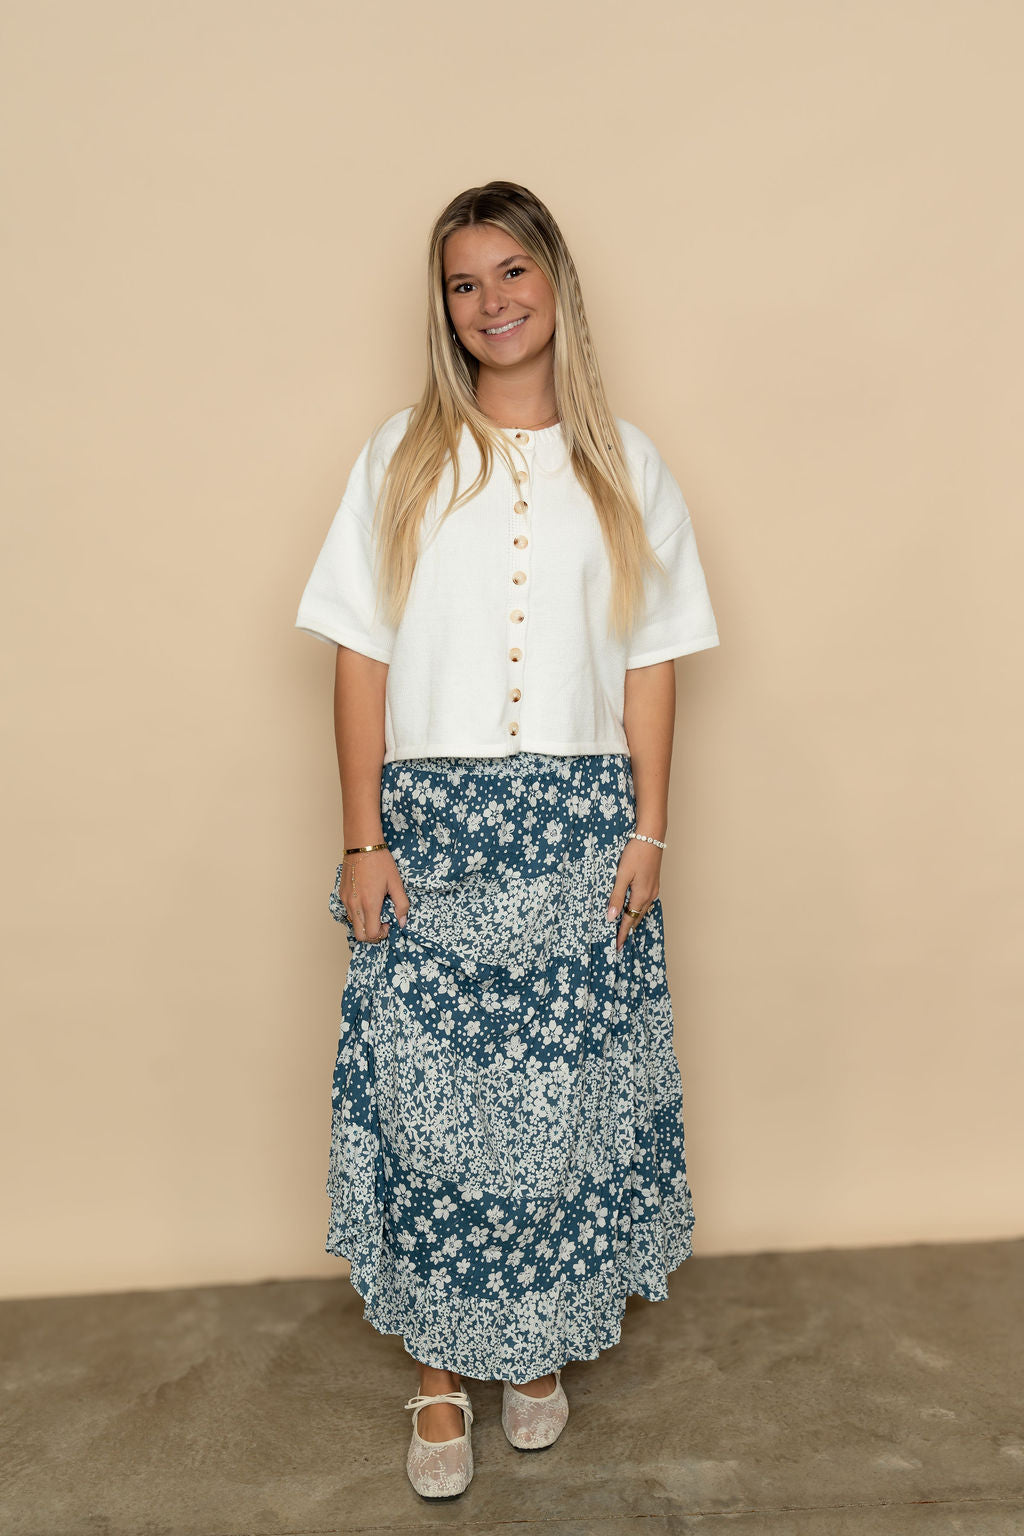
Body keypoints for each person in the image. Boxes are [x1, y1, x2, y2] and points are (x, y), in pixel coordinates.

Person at [294, 180, 721, 1500]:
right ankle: (438, 1373)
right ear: (447, 309)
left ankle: (530, 1347)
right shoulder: (403, 459)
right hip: (438, 827)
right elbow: (358, 655)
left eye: (513, 271)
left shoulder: (627, 465)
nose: (493, 302)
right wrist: (363, 840)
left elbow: (652, 660)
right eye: (465, 283)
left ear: (556, 284)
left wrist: (650, 826)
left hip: (584, 825)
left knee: (560, 1104)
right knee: (437, 1108)